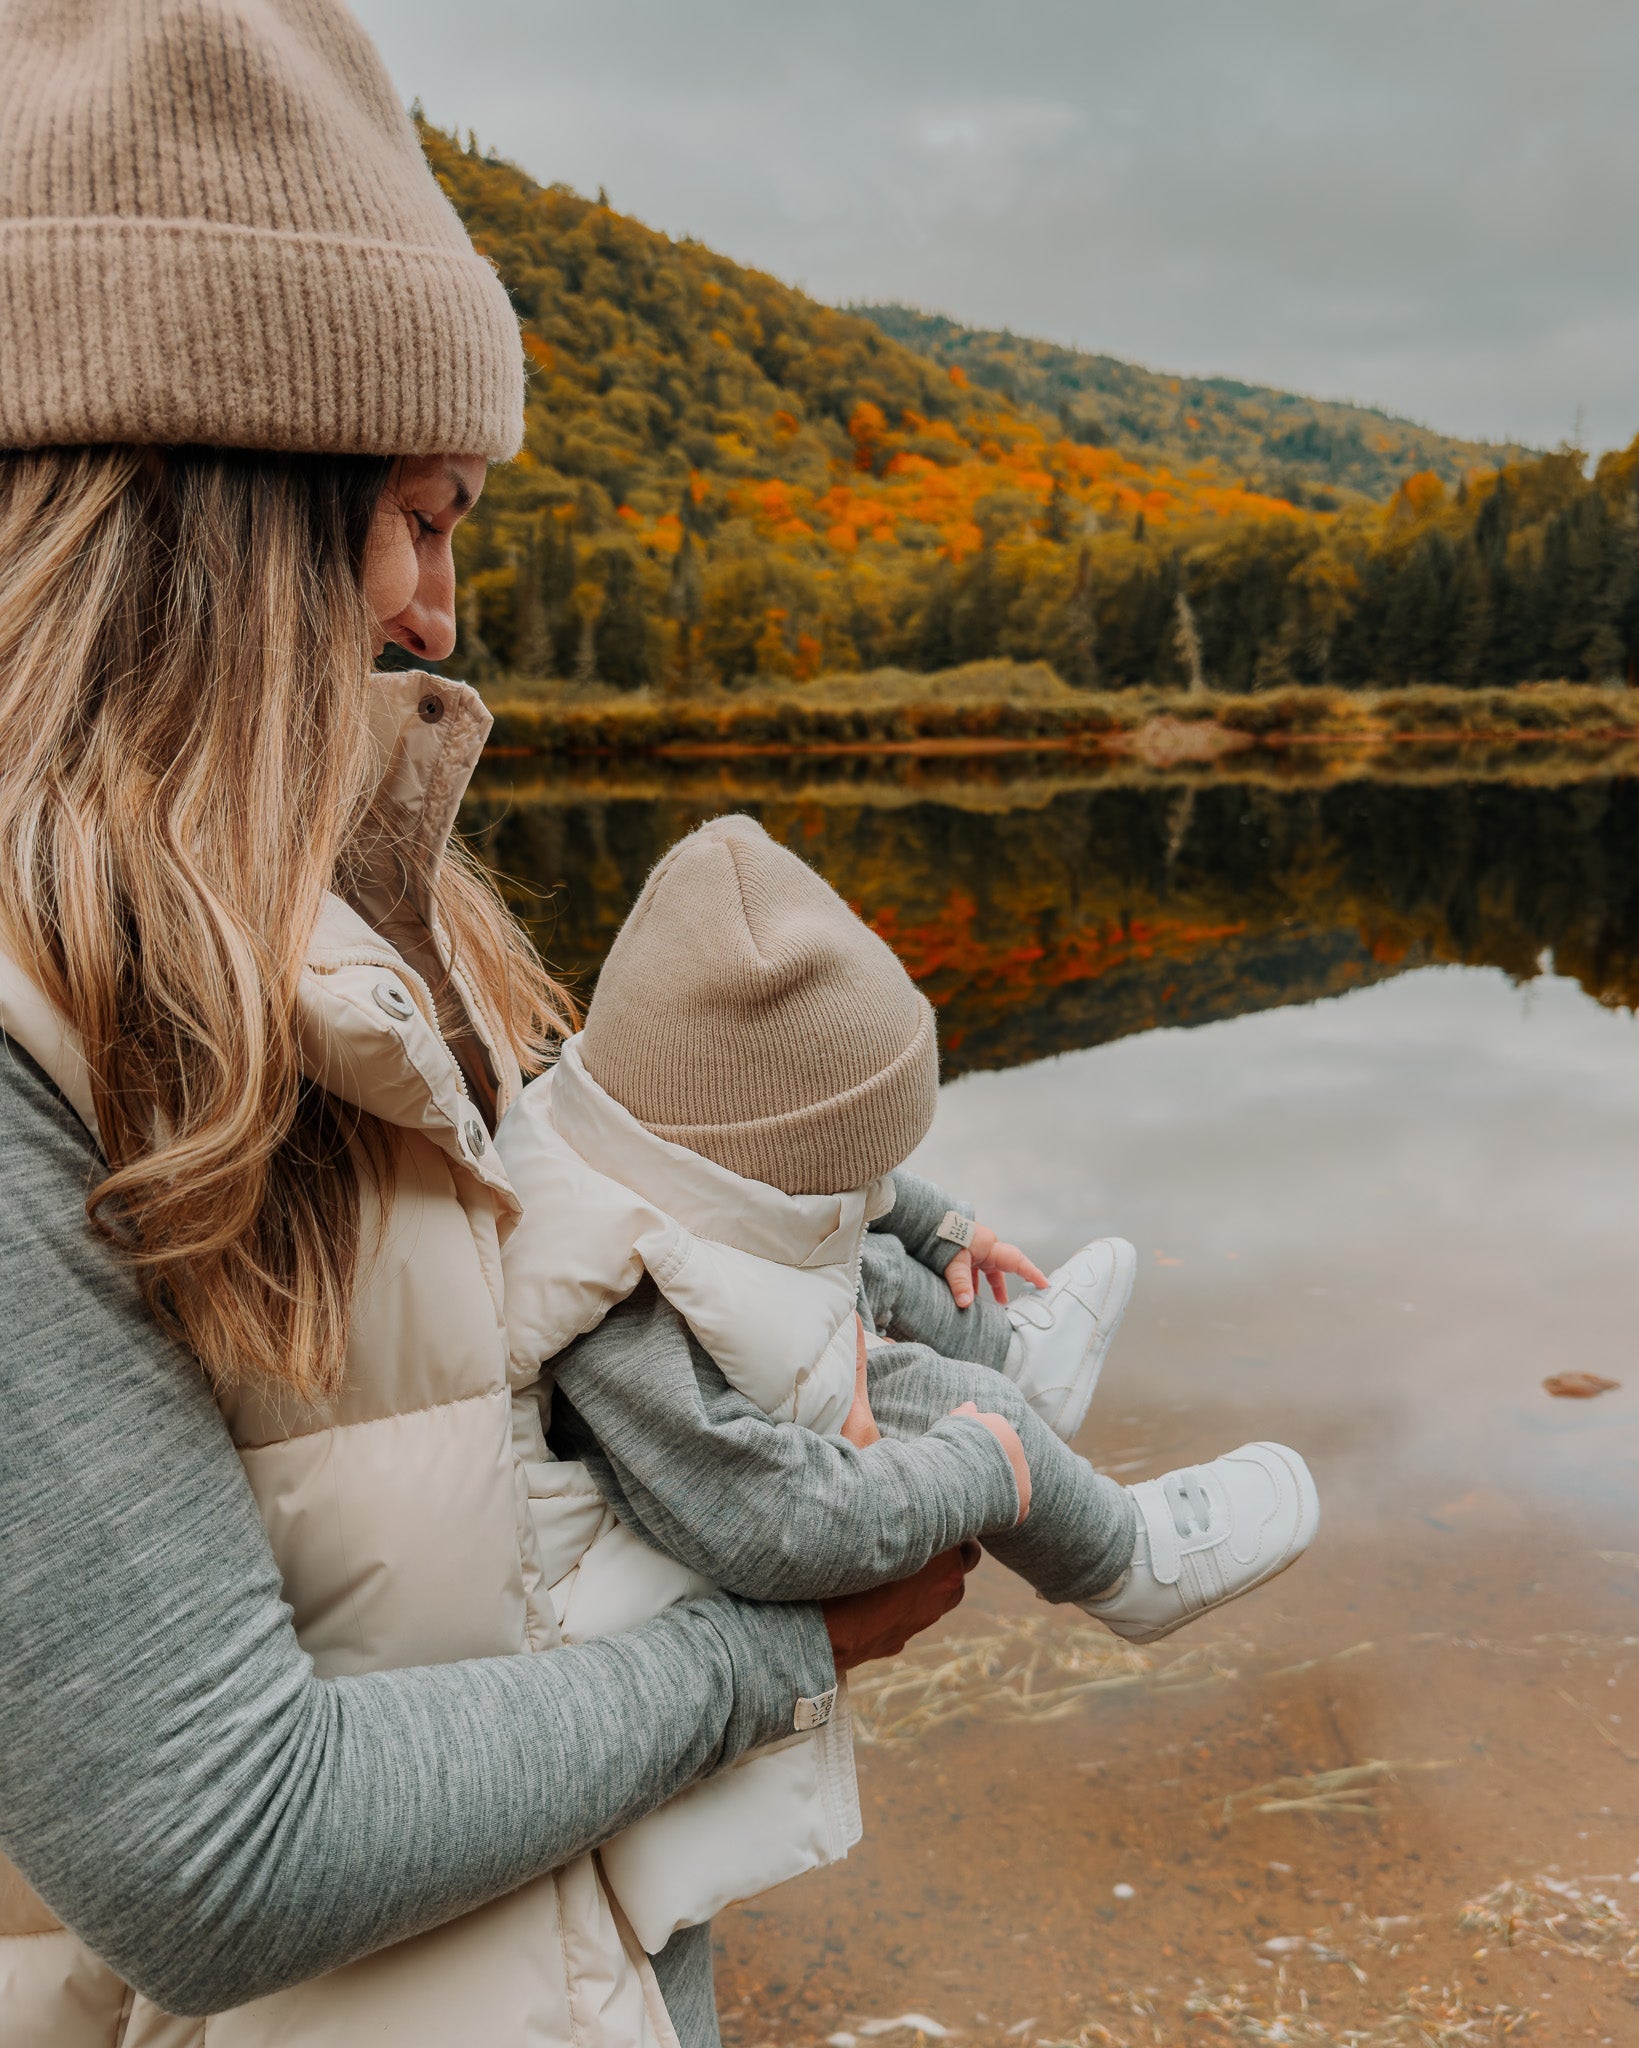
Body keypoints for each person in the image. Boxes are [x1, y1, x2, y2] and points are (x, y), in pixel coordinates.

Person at [0, 6, 991, 2046]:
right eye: (425, 516)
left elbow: (584, 1220)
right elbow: (216, 1840)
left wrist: (898, 1232)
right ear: (230, 511)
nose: (443, 612)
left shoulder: (351, 925)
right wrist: (778, 1637)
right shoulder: (29, 1031)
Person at [496, 814, 1321, 1951]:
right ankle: (1121, 1555)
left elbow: (840, 1182)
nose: (864, 1180)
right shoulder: (622, 1315)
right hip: (728, 1527)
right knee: (933, 1396)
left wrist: (939, 1222)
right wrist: (977, 1466)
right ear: (742, 1147)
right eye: (847, 1156)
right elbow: (776, 1525)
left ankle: (1016, 1356)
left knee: (870, 1252)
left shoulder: (650, 1126)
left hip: (757, 1321)